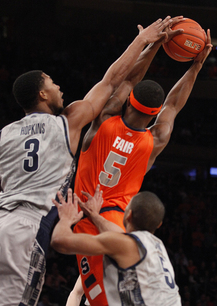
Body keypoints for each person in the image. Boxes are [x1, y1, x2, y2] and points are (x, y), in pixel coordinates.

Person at [0, 16, 174, 306]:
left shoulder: (2, 136)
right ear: (43, 94)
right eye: (53, 84)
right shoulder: (66, 122)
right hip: (26, 225)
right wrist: (143, 41)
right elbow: (115, 81)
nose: (60, 88)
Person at [72, 25, 213, 305]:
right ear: (153, 114)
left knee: (94, 295)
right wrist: (195, 67)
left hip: (85, 212)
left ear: (128, 102)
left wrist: (154, 45)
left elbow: (126, 80)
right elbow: (173, 105)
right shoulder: (155, 139)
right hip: (120, 223)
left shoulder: (104, 121)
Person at [51, 186, 182, 306]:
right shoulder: (157, 246)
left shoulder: (124, 244)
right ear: (159, 224)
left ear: (128, 214)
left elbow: (59, 241)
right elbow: (117, 233)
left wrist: (66, 219)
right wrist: (94, 215)